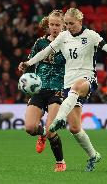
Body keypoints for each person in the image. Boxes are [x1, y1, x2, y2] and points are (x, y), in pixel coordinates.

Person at [19, 8, 107, 172]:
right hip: (67, 85)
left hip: (87, 79)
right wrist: (29, 63)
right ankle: (94, 156)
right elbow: (45, 52)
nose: (69, 27)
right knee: (75, 128)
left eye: (71, 23)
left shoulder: (91, 35)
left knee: (77, 87)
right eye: (67, 24)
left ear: (80, 21)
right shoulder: (64, 37)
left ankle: (60, 119)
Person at [22, 10, 67, 172]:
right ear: (48, 26)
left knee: (51, 130)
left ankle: (60, 162)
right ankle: (41, 134)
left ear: (64, 26)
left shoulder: (68, 44)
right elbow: (31, 63)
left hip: (57, 89)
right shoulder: (40, 43)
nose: (54, 28)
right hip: (39, 89)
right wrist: (25, 75)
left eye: (57, 25)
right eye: (52, 25)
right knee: (29, 127)